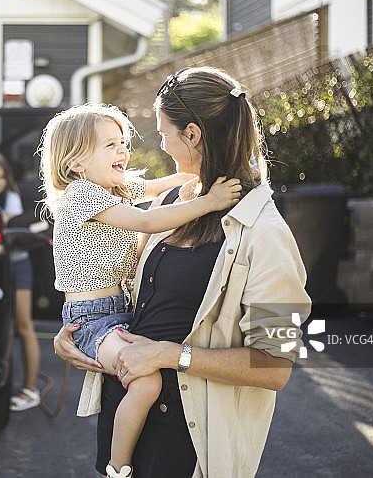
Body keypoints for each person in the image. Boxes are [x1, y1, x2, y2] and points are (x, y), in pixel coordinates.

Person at [53, 68, 312, 478]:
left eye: (164, 134)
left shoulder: (267, 234)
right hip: (126, 414)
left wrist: (173, 355)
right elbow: (110, 282)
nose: (160, 146)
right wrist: (77, 338)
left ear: (192, 134)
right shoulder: (171, 201)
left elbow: (276, 367)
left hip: (189, 443)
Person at [38, 104, 242, 478]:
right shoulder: (82, 194)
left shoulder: (110, 187)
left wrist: (193, 176)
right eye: (109, 145)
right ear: (76, 164)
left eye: (122, 142)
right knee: (146, 382)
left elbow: (151, 188)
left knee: (144, 379)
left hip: (117, 311)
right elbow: (146, 219)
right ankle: (119, 467)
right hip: (93, 319)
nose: (122, 152)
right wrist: (209, 202)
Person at [0, 150, 42, 412]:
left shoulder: (12, 198)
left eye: (0, 177)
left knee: (23, 325)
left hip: (17, 265)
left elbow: (7, 224)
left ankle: (30, 389)